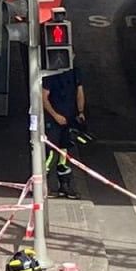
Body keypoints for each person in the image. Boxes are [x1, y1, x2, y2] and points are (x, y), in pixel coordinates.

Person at [42, 59, 87, 199]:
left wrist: (80, 112)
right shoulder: (50, 72)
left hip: (69, 119)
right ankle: (41, 185)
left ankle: (64, 185)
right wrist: (55, 116)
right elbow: (43, 97)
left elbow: (79, 92)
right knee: (51, 153)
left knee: (64, 154)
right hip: (53, 121)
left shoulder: (75, 72)